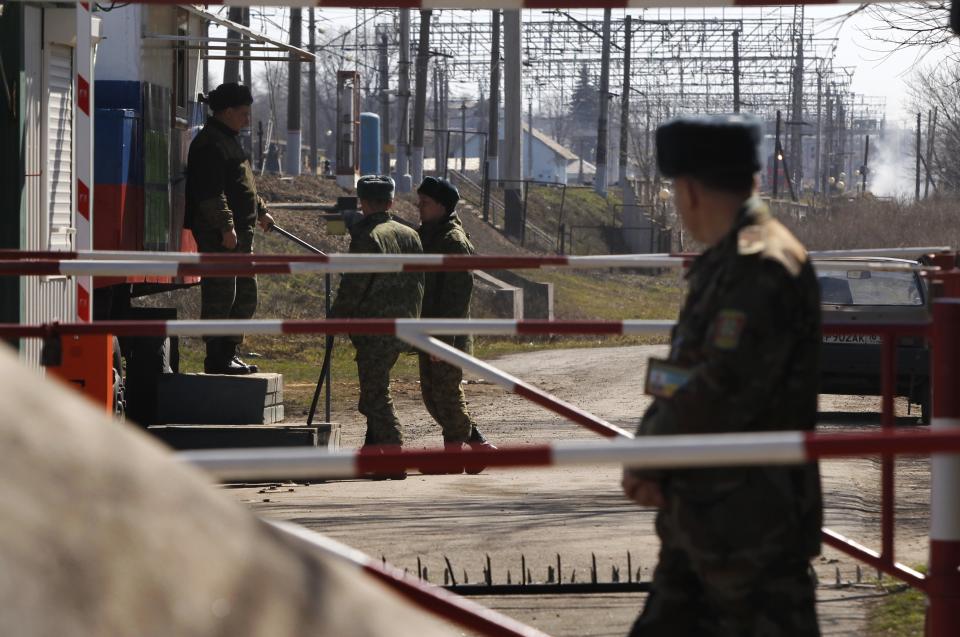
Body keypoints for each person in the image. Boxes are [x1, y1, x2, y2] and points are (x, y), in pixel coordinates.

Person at [621, 114, 823, 636]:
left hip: (752, 520)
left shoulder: (760, 264)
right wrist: (650, 447)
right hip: (708, 510)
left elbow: (722, 385)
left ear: (688, 190)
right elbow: (679, 375)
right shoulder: (729, 259)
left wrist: (650, 458)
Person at [329, 175, 424, 474]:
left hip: (374, 328)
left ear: (363, 203)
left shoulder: (368, 237)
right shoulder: (410, 235)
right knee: (375, 386)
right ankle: (372, 452)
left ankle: (394, 455)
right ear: (391, 202)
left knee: (375, 394)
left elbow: (354, 284)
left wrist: (335, 317)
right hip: (405, 324)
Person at [185, 82, 274, 375]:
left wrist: (261, 211)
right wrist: (226, 227)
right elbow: (211, 192)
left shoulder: (229, 140)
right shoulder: (210, 144)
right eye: (243, 113)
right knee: (221, 294)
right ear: (226, 111)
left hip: (239, 234)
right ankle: (217, 358)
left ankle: (230, 351)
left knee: (244, 293)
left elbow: (242, 185)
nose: (247, 119)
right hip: (220, 235)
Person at [415, 177, 496, 474]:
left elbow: (456, 297)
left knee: (447, 396)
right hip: (428, 331)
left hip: (445, 334)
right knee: (434, 398)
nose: (419, 208)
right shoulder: (429, 235)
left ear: (442, 207)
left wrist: (444, 341)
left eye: (425, 203)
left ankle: (469, 449)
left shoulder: (453, 242)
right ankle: (473, 448)